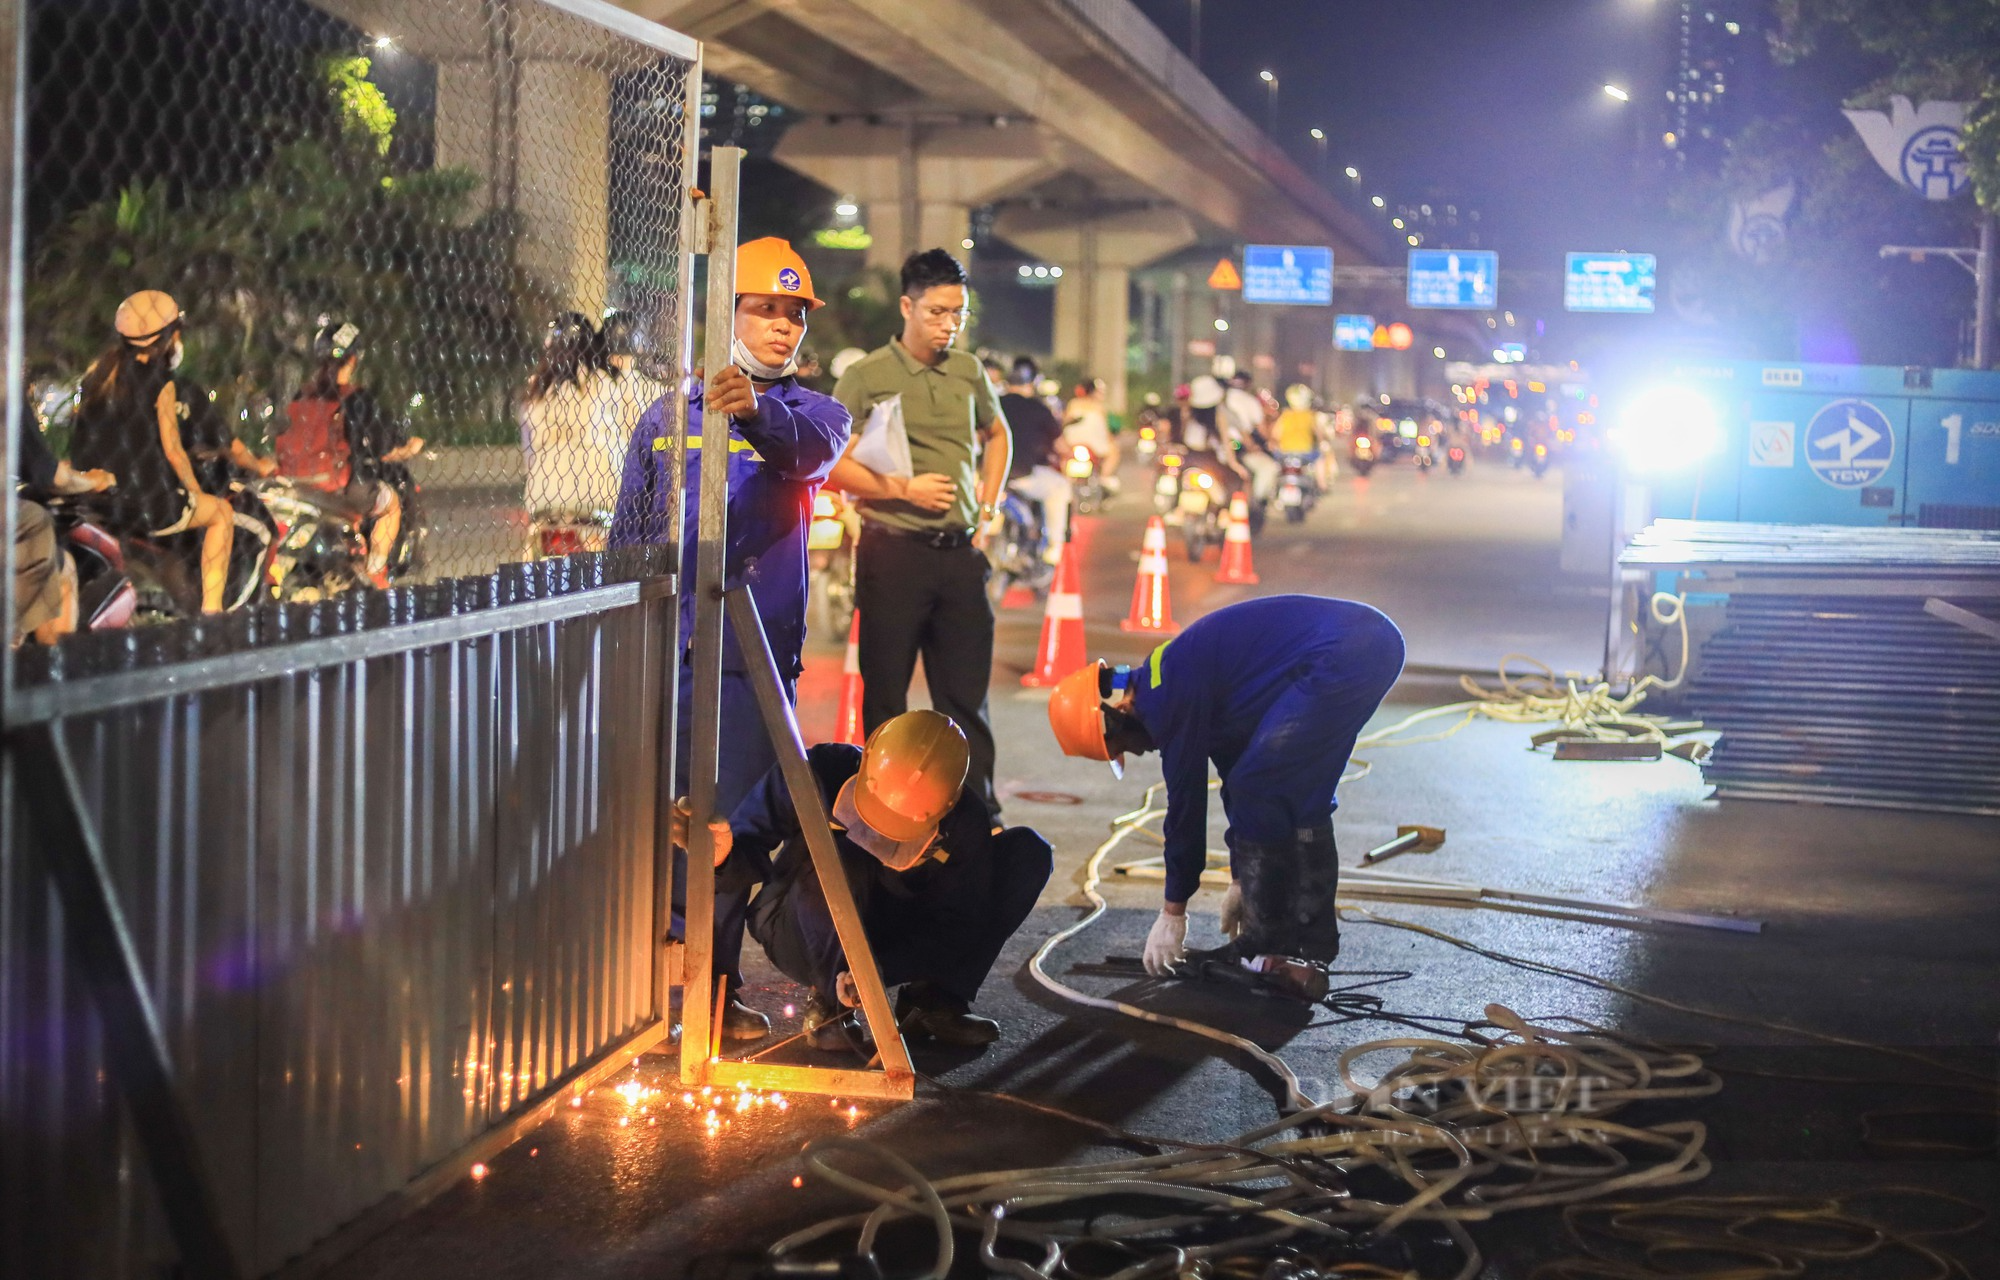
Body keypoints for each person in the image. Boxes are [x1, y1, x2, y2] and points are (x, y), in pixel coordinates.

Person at [610, 236, 851, 1040]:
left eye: (794, 316)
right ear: (728, 314)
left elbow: (808, 451)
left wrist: (750, 406)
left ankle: (706, 997)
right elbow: (631, 540)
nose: (784, 328)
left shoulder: (814, 414)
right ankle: (652, 988)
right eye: (765, 310)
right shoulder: (662, 418)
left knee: (725, 834)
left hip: (749, 662)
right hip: (669, 655)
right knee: (666, 823)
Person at [1046, 595, 1405, 971]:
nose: (1135, 754)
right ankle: (1312, 944)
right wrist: (1241, 877)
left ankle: (1268, 943)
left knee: (1261, 783)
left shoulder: (1167, 696)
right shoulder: (1166, 681)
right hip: (1370, 644)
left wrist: (1174, 912)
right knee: (1300, 799)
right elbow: (1233, 771)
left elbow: (1186, 806)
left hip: (1345, 653)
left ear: (1114, 716)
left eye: (1119, 747)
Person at [670, 710, 1051, 1050]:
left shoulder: (965, 822)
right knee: (842, 853)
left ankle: (934, 1003)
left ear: (947, 806)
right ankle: (830, 1006)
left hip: (894, 934)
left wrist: (885, 969)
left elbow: (959, 925)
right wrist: (720, 857)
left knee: (1028, 853)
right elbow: (750, 842)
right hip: (802, 924)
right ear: (866, 757)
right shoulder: (816, 773)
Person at [830, 248, 1012, 817]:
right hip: (893, 553)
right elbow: (830, 462)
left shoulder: (968, 371)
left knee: (965, 700)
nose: (948, 325)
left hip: (959, 557)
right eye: (936, 312)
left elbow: (998, 435)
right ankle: (883, 816)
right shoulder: (865, 378)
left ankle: (976, 818)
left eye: (957, 313)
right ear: (907, 306)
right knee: (886, 698)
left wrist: (985, 507)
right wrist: (901, 490)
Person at [67, 291, 238, 612]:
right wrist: (196, 492)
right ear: (167, 336)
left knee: (174, 550)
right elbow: (174, 450)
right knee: (221, 514)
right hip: (145, 502)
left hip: (98, 496)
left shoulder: (98, 376)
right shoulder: (161, 381)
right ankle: (213, 612)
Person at [278, 319, 424, 590]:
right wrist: (410, 448)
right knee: (390, 504)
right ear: (354, 359)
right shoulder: (356, 398)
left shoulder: (303, 394)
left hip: (296, 484)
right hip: (337, 487)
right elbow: (383, 448)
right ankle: (376, 572)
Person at [520, 312, 660, 551]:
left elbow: (529, 451)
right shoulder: (605, 382)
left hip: (544, 497)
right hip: (601, 498)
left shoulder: (537, 391)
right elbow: (630, 434)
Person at [998, 356, 1069, 561]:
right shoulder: (1038, 408)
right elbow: (1060, 445)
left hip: (989, 477)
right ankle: (1053, 549)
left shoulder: (993, 403)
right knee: (1060, 488)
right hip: (1022, 475)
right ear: (1032, 384)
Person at [1222, 371, 1280, 506]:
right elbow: (1262, 430)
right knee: (1269, 468)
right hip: (1237, 448)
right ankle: (1256, 503)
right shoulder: (1250, 402)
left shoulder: (1220, 401)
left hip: (1216, 449)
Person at [1061, 376, 1120, 493]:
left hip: (1072, 445)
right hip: (1095, 447)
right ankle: (1104, 478)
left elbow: (1063, 424)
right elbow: (1106, 431)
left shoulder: (1073, 404)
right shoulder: (1099, 407)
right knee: (1114, 451)